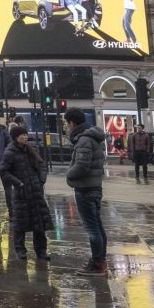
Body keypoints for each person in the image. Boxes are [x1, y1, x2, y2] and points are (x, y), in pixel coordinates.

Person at [0, 126, 53, 261]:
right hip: (21, 193)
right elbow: (3, 170)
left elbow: (42, 165)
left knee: (39, 223)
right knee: (20, 224)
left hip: (35, 191)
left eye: (26, 135)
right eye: (22, 135)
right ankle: (20, 250)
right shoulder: (10, 152)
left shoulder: (30, 149)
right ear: (15, 137)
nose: (25, 137)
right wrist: (18, 183)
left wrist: (41, 180)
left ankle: (41, 251)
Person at [64, 107, 108, 276]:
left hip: (86, 188)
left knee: (92, 228)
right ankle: (100, 260)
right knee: (97, 226)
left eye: (66, 123)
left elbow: (82, 165)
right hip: (94, 186)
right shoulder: (92, 137)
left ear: (72, 123)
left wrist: (69, 175)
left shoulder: (83, 139)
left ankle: (97, 263)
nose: (67, 127)